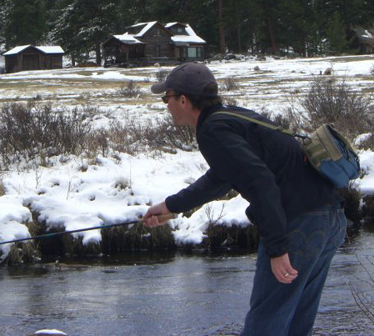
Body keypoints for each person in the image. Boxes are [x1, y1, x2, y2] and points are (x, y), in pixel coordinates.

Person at [143, 62, 346, 336]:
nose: (165, 104)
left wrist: (277, 248)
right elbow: (222, 177)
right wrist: (171, 206)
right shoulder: (229, 118)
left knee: (266, 323)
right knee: (297, 322)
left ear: (183, 100)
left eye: (166, 98)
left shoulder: (213, 130)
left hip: (299, 225)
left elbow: (262, 184)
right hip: (329, 219)